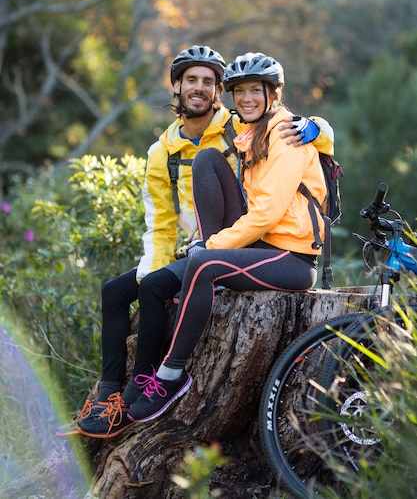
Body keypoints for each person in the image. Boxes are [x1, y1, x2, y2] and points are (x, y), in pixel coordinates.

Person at [58, 47, 333, 438]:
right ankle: (111, 392)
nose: (247, 98)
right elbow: (161, 221)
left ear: (272, 92)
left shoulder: (274, 133)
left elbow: (274, 204)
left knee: (201, 265)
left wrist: (320, 127)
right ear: (179, 86)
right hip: (251, 244)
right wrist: (178, 260)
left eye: (255, 90)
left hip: (290, 254)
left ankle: (170, 376)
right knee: (205, 165)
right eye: (241, 92)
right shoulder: (236, 137)